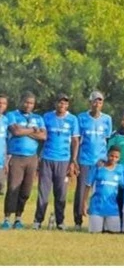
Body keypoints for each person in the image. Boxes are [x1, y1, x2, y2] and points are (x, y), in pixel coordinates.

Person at [34, 93, 79, 230]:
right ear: (56, 103)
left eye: (65, 103)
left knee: (61, 193)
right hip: (47, 158)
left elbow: (75, 141)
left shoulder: (72, 119)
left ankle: (60, 222)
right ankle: (38, 220)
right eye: (60, 102)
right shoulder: (47, 116)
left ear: (68, 105)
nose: (62, 105)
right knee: (43, 192)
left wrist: (73, 160)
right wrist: (38, 157)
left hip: (64, 160)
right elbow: (41, 136)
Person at [2, 92, 46, 230]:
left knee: (26, 190)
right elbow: (15, 132)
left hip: (32, 158)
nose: (28, 105)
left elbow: (43, 136)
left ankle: (18, 218)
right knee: (13, 188)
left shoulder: (38, 118)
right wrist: (33, 130)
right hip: (16, 156)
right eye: (26, 102)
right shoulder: (12, 115)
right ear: (21, 101)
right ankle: (7, 218)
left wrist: (25, 130)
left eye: (31, 103)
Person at [74, 90, 112, 230]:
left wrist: (107, 160)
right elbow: (77, 139)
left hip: (101, 161)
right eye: (95, 100)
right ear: (90, 102)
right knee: (81, 191)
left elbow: (107, 140)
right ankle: (78, 221)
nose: (97, 103)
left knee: (100, 190)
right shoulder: (81, 117)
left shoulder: (107, 119)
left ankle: (98, 221)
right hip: (85, 160)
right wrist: (75, 160)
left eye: (100, 101)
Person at [82, 146, 124, 234]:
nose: (113, 158)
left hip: (112, 209)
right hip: (97, 208)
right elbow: (88, 186)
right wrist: (84, 204)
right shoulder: (98, 167)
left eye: (116, 157)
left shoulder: (120, 169)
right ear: (107, 154)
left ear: (119, 158)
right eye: (111, 156)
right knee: (95, 233)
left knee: (114, 234)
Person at [0, 95, 9, 197]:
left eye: (3, 103)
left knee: (1, 189)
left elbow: (5, 141)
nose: (1, 105)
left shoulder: (5, 120)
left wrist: (7, 160)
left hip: (1, 162)